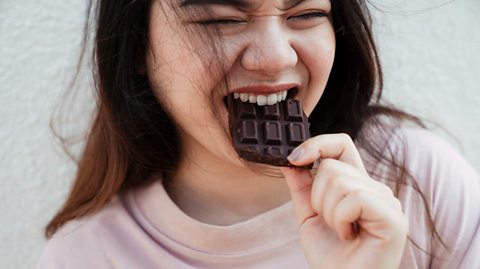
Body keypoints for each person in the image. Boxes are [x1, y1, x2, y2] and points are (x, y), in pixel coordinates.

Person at [36, 0, 480, 268]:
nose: (273, 57)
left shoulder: (418, 181)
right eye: (219, 19)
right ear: (135, 45)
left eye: (306, 13)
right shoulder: (86, 257)